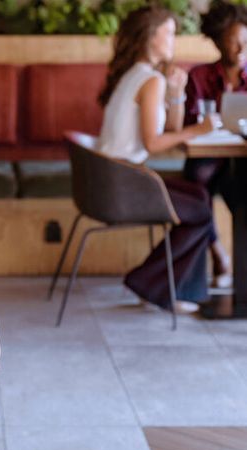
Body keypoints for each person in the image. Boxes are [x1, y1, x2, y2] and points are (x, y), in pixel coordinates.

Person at [96, 7, 218, 314]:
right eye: (169, 33)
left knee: (200, 195)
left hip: (109, 179)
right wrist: (200, 129)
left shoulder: (135, 74)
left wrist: (176, 93)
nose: (173, 40)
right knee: (201, 211)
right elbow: (154, 142)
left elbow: (171, 130)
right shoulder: (150, 79)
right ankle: (149, 282)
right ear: (150, 37)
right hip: (123, 184)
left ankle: (164, 286)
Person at [182, 0, 247, 287]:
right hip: (206, 157)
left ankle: (241, 270)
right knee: (197, 184)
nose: (242, 49)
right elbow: (189, 125)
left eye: (246, 41)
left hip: (242, 157)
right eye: (234, 42)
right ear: (219, 43)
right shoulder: (199, 76)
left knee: (243, 194)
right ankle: (219, 254)